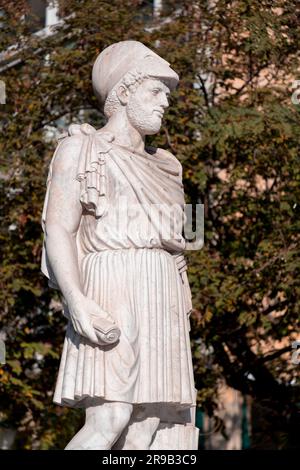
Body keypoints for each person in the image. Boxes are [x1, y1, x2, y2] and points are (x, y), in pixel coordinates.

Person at [41, 40, 198, 450]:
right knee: (110, 416)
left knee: (149, 424)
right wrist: (76, 300)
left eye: (167, 93)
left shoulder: (167, 164)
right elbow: (58, 227)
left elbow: (180, 242)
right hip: (111, 281)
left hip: (161, 288)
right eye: (155, 90)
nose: (166, 101)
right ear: (124, 93)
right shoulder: (81, 147)